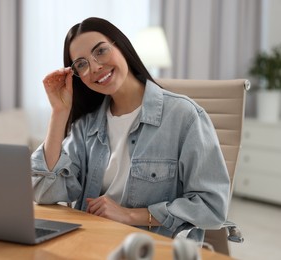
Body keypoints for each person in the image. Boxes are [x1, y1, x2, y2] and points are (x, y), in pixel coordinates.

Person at [31, 17, 230, 239]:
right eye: (81, 64)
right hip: (92, 243)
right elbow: (43, 191)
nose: (95, 67)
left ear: (121, 46)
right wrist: (59, 113)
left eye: (101, 51)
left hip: (151, 248)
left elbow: (212, 206)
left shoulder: (184, 116)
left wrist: (129, 215)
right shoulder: (87, 125)